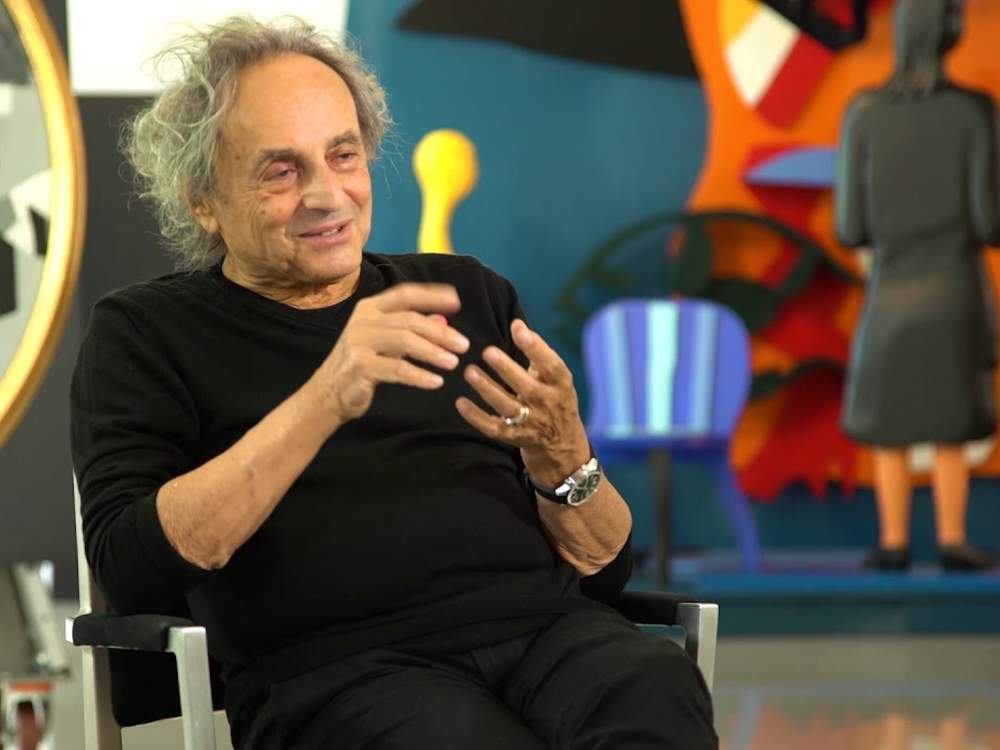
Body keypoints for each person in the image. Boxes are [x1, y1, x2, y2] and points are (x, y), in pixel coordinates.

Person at [69, 15, 716, 749]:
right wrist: (325, 398)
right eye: (282, 171)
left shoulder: (468, 294)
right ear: (202, 199)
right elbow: (132, 568)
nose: (327, 195)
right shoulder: (147, 333)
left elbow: (602, 571)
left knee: (654, 688)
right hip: (336, 674)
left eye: (342, 155)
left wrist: (564, 457)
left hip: (549, 637)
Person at [835, 0, 998, 571]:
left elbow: (849, 227)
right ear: (951, 32)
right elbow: (991, 223)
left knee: (891, 422)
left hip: (890, 294)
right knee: (953, 420)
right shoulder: (973, 111)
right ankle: (952, 538)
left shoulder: (863, 113)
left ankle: (893, 540)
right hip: (955, 290)